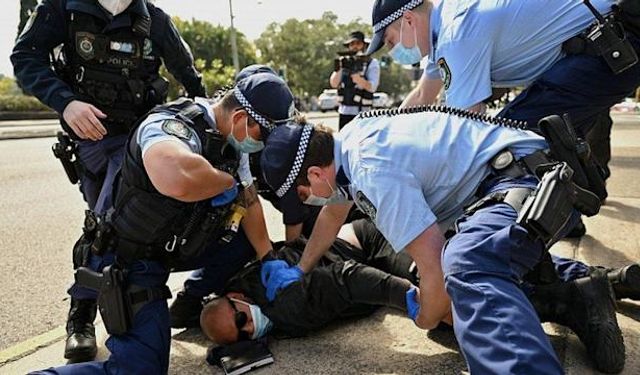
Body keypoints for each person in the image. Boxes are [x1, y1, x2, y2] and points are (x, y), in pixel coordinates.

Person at [259, 107, 627, 373]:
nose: (309, 201)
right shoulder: (349, 144)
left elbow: (435, 268)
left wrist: (425, 316)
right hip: (509, 180)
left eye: (303, 193)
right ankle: (580, 290)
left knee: (465, 267)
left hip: (527, 182)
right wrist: (302, 268)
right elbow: (333, 213)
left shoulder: (370, 170)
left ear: (314, 173)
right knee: (458, 277)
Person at [29, 72, 295, 375]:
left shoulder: (231, 144)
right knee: (139, 370)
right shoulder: (172, 125)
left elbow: (250, 202)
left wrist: (269, 259)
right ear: (241, 118)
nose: (261, 145)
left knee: (245, 241)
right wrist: (225, 182)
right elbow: (173, 176)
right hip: (133, 257)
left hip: (175, 244)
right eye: (263, 135)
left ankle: (190, 301)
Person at [11, 0, 206, 362]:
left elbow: (190, 77)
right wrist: (66, 102)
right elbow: (25, 57)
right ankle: (90, 311)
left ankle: (83, 314)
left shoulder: (155, 21)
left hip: (136, 144)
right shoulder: (61, 8)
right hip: (89, 142)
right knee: (100, 227)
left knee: (109, 225)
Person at [366, 0, 640, 229]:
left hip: (614, 43)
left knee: (509, 144)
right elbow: (422, 96)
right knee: (529, 135)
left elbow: (466, 126)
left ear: (409, 20)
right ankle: (563, 215)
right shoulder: (446, 25)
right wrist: (381, 137)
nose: (393, 51)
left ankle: (519, 238)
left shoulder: (456, 34)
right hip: (601, 44)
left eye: (390, 41)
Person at [202, 218, 640, 350]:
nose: (249, 329)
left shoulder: (285, 303)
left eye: (241, 320)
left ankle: (570, 301)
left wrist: (413, 299)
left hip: (370, 244)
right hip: (359, 240)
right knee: (456, 283)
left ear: (237, 298)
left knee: (449, 307)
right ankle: (607, 281)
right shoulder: (244, 291)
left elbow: (351, 278)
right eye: (240, 335)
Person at [330, 31, 381, 129]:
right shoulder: (343, 61)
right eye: (352, 44)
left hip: (362, 113)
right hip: (344, 112)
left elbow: (373, 87)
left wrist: (358, 79)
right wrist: (340, 68)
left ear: (364, 45)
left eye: (358, 43)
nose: (355, 46)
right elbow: (334, 83)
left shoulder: (371, 63)